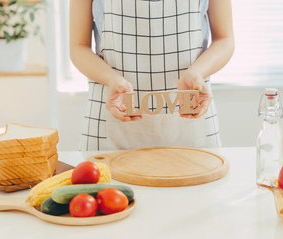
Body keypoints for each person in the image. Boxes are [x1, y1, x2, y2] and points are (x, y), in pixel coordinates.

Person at [70, 0, 234, 151]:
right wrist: (112, 79)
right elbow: (78, 47)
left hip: (193, 118)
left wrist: (197, 72)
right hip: (110, 115)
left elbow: (224, 39)